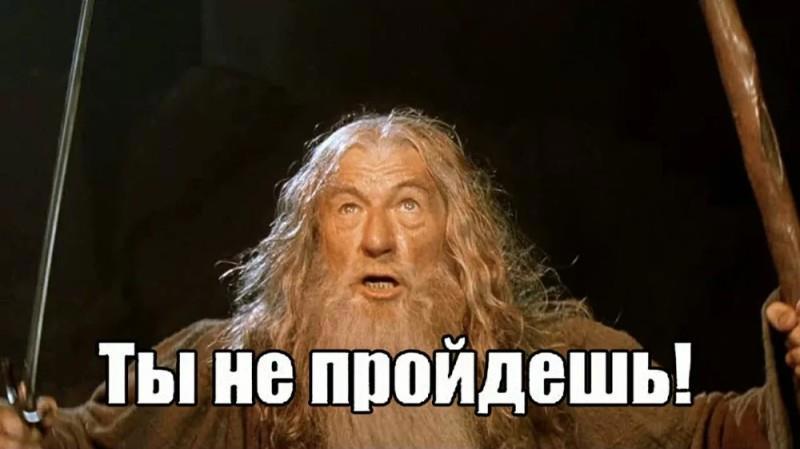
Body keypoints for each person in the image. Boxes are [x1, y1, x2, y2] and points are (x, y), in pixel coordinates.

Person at [2, 110, 799, 449]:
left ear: (458, 237)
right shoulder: (221, 374)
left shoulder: (549, 366)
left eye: (409, 205)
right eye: (349, 207)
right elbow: (84, 440)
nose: (378, 239)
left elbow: (711, 433)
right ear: (309, 240)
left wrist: (793, 377)